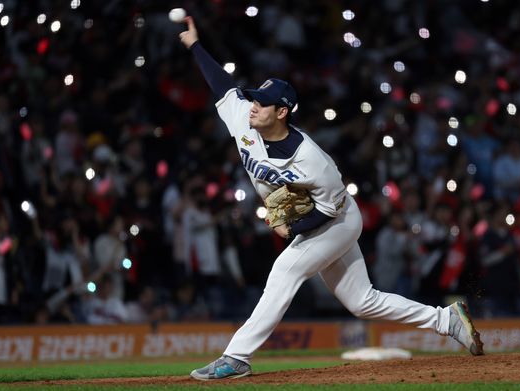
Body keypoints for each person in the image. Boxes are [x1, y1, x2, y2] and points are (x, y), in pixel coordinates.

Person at [179, 16, 484, 381]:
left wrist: (289, 226)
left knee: (285, 271)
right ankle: (445, 319)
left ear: (282, 112)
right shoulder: (245, 118)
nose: (253, 106)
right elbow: (222, 85)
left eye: (263, 102)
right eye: (254, 100)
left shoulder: (312, 160)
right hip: (322, 218)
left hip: (336, 219)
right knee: (362, 301)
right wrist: (196, 45)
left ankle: (237, 356)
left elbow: (326, 210)